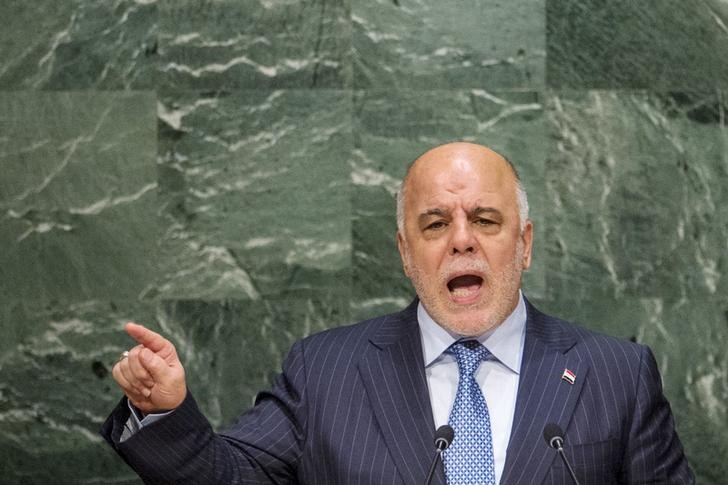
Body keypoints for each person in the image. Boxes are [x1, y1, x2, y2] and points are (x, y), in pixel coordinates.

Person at [102, 142, 694, 484]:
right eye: (435, 224)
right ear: (406, 252)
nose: (462, 240)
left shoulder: (617, 373)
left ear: (526, 243)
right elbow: (230, 476)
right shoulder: (325, 370)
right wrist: (167, 412)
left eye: (485, 220)